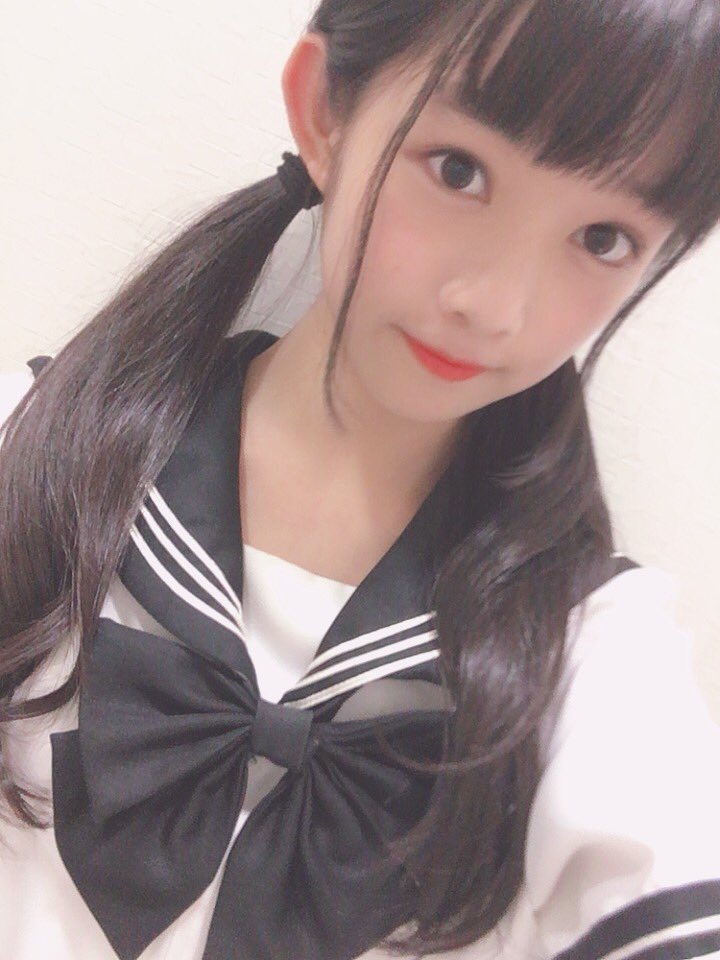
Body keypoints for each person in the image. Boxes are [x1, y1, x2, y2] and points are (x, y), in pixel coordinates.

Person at [1, 1, 719, 958]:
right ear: (325, 111)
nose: (495, 306)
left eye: (603, 238)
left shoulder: (590, 658)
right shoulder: (30, 456)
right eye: (459, 171)